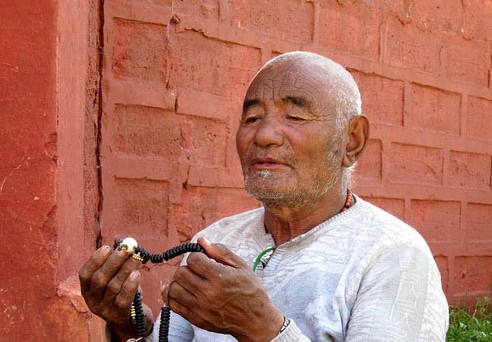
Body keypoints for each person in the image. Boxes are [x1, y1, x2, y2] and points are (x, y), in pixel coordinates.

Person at [79, 51, 449, 341]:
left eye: (296, 117)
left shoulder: (393, 256)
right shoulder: (215, 242)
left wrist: (263, 330)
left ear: (351, 141)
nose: (265, 136)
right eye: (252, 118)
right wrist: (129, 325)